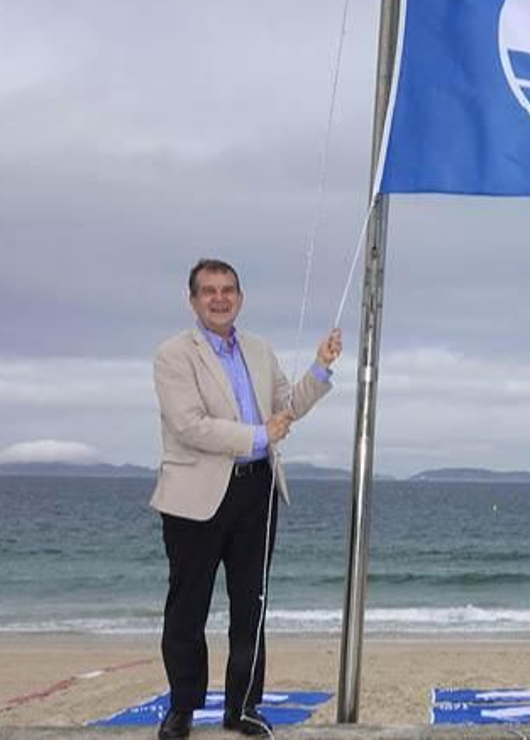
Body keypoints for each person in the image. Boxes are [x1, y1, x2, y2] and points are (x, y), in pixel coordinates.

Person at [151, 259, 343, 739]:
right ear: (192, 300)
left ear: (240, 296)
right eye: (209, 291)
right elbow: (189, 426)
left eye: (228, 289)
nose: (220, 298)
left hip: (257, 490)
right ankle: (183, 708)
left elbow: (287, 407)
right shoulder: (174, 355)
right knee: (187, 606)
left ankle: (243, 707)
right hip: (195, 496)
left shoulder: (259, 350)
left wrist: (321, 366)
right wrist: (259, 434)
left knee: (250, 606)